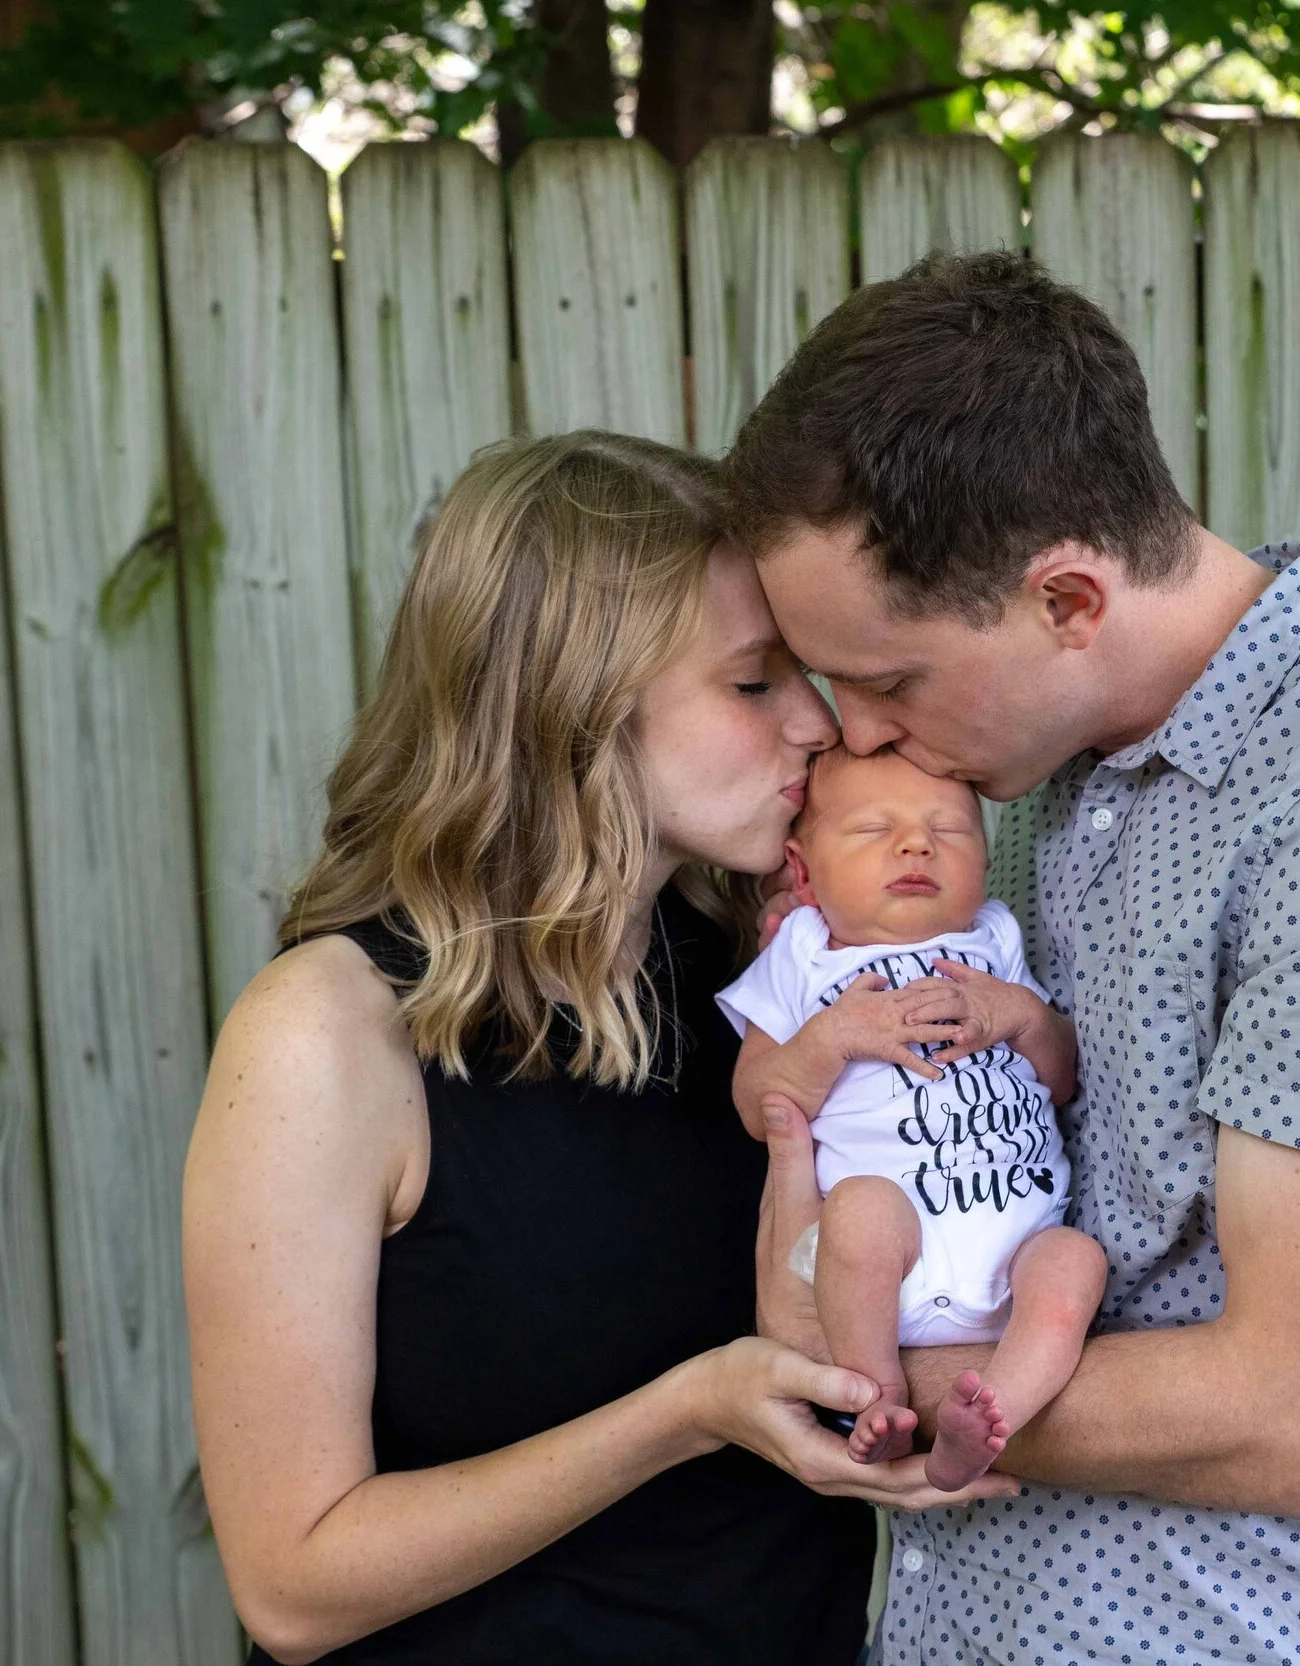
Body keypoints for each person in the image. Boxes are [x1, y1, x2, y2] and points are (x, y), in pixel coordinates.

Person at [724, 252, 1300, 1666]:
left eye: (886, 678)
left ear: (1068, 601)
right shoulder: (1022, 768)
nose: (858, 734)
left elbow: (1289, 1414)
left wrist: (852, 1369)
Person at [182, 431, 1013, 1666]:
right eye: (754, 683)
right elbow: (294, 1587)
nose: (816, 724)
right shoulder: (327, 1036)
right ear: (573, 712)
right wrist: (688, 1412)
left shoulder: (763, 989)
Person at [716, 745, 1105, 1490]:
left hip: (1016, 1250)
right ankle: (879, 1397)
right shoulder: (804, 954)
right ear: (803, 872)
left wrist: (1024, 1017)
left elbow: (1062, 1080)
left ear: (985, 861)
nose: (917, 845)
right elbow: (757, 1102)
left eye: (949, 830)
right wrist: (832, 1038)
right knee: (860, 1209)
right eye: (873, 829)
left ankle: (990, 1416)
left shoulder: (994, 940)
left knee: (1075, 1262)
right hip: (880, 1264)